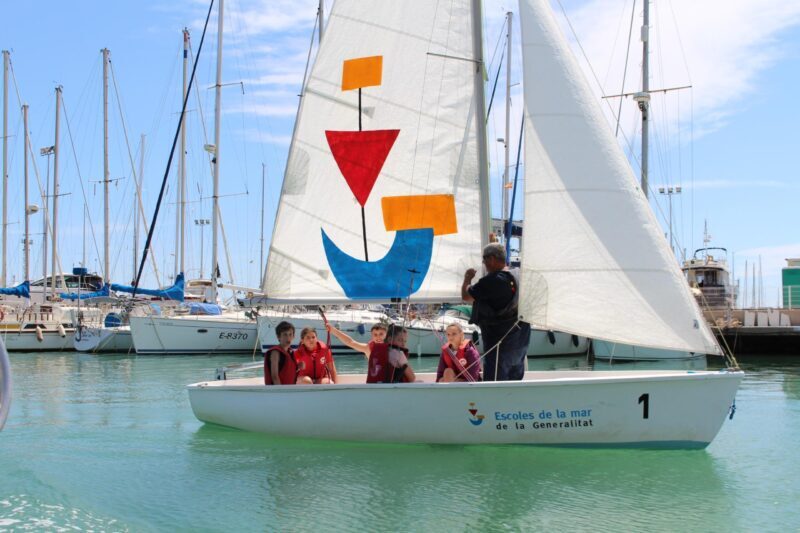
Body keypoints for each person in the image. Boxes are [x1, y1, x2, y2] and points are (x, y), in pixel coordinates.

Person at [461, 243, 531, 381]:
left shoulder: (493, 280)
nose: (483, 263)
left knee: (494, 383)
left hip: (500, 343)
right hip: (520, 340)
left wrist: (467, 278)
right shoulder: (518, 275)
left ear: (491, 259)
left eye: (484, 259)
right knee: (514, 382)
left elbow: (466, 296)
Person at [264, 321, 298, 385]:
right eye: (285, 334)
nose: (288, 338)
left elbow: (289, 371)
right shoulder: (275, 353)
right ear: (278, 337)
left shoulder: (290, 352)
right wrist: (280, 390)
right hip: (279, 389)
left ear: (293, 336)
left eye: (290, 334)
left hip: (289, 388)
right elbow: (274, 376)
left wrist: (298, 366)